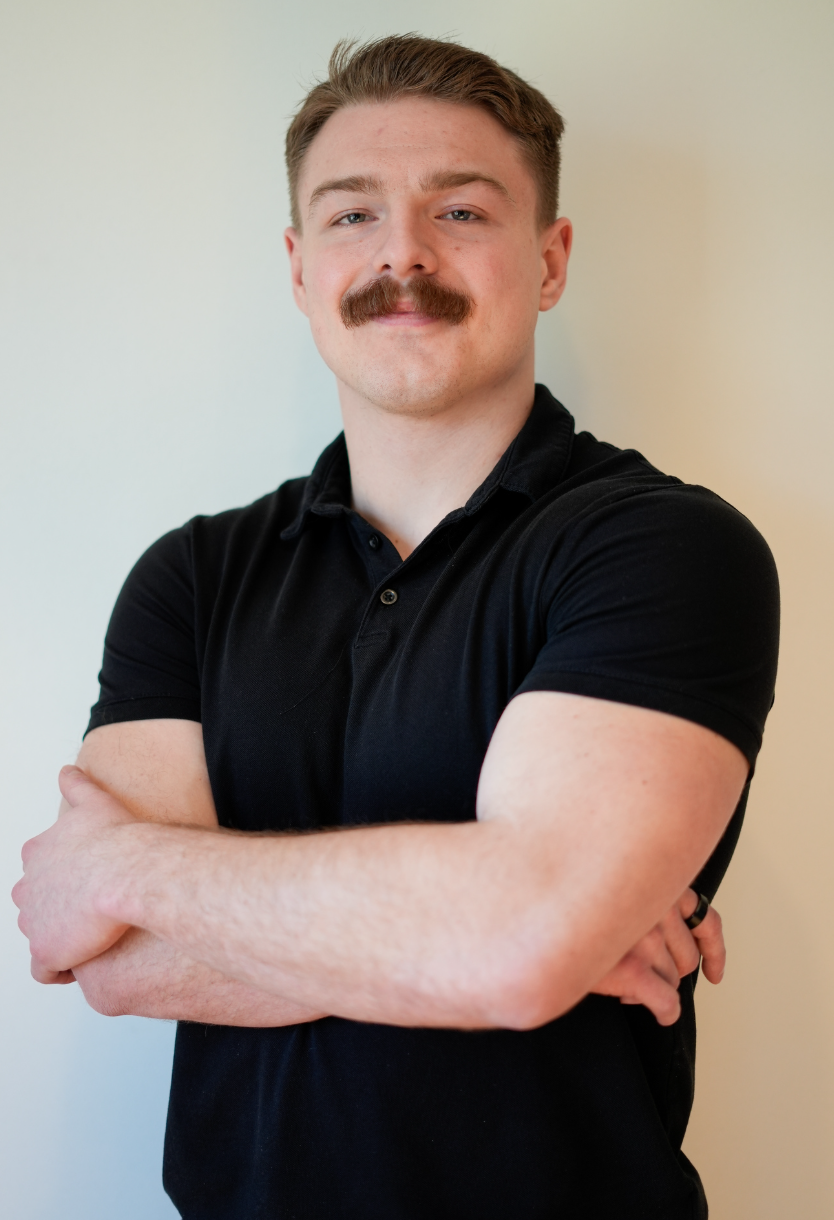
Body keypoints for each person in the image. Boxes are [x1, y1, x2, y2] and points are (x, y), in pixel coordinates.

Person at [13, 34, 779, 1220]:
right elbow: (112, 963)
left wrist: (120, 864)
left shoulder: (665, 548)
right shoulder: (191, 574)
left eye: (461, 209)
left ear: (552, 256)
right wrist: (499, 935)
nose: (402, 253)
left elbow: (516, 942)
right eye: (351, 214)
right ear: (299, 264)